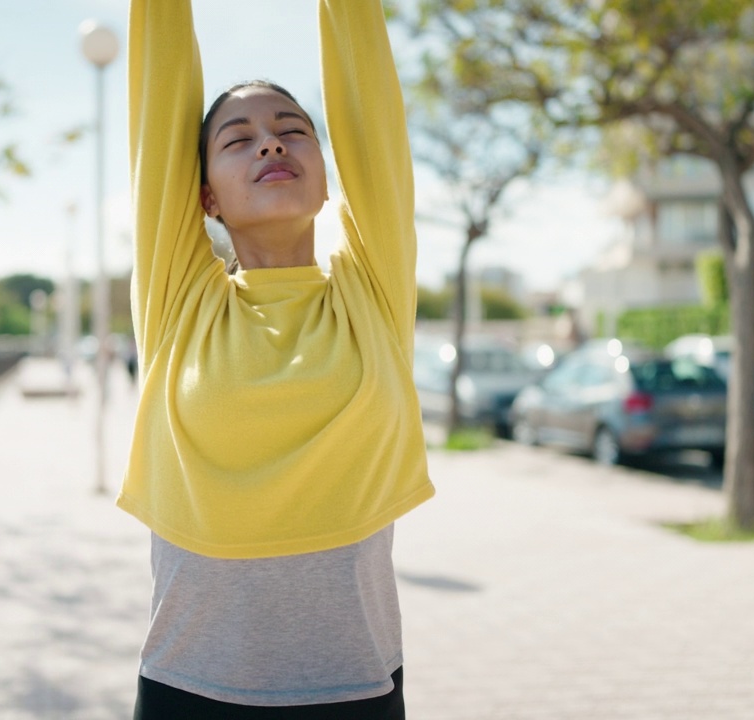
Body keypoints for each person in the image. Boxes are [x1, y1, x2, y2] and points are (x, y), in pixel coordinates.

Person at [121, 1, 435, 717]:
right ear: (204, 197)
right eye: (239, 139)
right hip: (188, 688)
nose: (270, 144)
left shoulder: (372, 297)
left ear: (328, 179)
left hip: (355, 689)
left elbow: (370, 106)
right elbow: (159, 85)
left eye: (293, 132)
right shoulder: (180, 304)